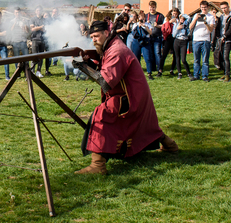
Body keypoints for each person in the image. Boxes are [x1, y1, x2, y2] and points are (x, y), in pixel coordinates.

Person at [75, 21, 178, 175]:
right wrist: (87, 62)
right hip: (131, 93)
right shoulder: (111, 46)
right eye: (92, 37)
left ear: (106, 33)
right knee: (146, 125)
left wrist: (82, 66)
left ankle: (98, 165)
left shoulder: (116, 50)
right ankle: (170, 145)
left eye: (96, 36)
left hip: (130, 96)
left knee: (102, 116)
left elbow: (105, 82)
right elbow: (103, 69)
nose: (94, 40)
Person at [189, 0, 215, 82]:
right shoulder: (196, 16)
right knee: (196, 59)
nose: (203, 9)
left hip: (205, 40)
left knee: (205, 60)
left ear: (208, 8)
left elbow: (211, 29)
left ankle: (205, 76)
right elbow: (190, 27)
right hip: (196, 40)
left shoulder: (211, 17)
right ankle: (196, 75)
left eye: (205, 7)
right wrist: (195, 19)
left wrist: (205, 22)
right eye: (202, 8)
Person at [215, 2, 231, 82]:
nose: (224, 10)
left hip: (228, 39)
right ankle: (224, 73)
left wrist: (225, 36)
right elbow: (218, 28)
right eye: (222, 8)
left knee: (225, 57)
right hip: (221, 39)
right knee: (221, 56)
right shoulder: (221, 17)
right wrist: (218, 36)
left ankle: (227, 75)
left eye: (225, 8)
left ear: (228, 7)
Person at [146, 1, 165, 78]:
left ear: (155, 7)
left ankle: (160, 69)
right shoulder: (146, 15)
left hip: (157, 37)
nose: (152, 9)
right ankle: (152, 68)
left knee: (157, 53)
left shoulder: (160, 16)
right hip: (149, 37)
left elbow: (164, 25)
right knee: (150, 53)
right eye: (151, 7)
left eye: (153, 7)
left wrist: (158, 26)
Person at [29, 6, 49, 77]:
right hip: (34, 39)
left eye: (40, 10)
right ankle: (32, 71)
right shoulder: (32, 19)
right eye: (37, 10)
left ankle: (38, 71)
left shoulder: (44, 20)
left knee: (41, 56)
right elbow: (32, 29)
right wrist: (40, 27)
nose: (38, 11)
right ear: (35, 11)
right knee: (34, 56)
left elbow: (46, 29)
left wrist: (37, 27)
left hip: (42, 39)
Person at [9, 8, 30, 73]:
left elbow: (27, 31)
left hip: (23, 40)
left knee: (26, 57)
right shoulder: (12, 21)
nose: (17, 14)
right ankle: (18, 73)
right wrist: (15, 23)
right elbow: (10, 31)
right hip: (15, 41)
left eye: (18, 12)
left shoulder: (24, 20)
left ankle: (27, 72)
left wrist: (24, 24)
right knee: (16, 58)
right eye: (16, 13)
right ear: (14, 13)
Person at [171, 11, 191, 79]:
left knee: (183, 59)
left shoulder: (186, 25)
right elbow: (173, 35)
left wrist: (182, 14)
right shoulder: (176, 24)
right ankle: (179, 73)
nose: (181, 20)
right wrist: (177, 28)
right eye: (180, 19)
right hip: (177, 41)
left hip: (184, 41)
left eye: (183, 19)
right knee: (177, 58)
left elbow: (189, 18)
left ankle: (189, 73)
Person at [159, 8, 179, 76]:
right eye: (173, 13)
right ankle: (160, 70)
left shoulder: (178, 20)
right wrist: (169, 22)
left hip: (175, 38)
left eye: (176, 13)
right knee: (164, 54)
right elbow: (163, 27)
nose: (174, 15)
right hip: (168, 37)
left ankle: (172, 69)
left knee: (175, 55)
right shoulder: (167, 19)